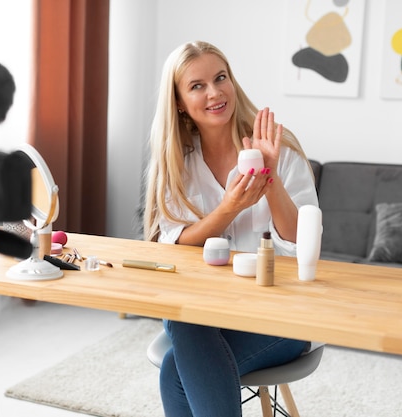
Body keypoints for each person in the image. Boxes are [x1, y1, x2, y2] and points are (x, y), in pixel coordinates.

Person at [142, 41, 319, 417]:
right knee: (186, 323)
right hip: (208, 313)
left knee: (178, 361)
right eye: (197, 85)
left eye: (220, 78)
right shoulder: (179, 162)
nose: (215, 92)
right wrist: (229, 208)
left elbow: (303, 243)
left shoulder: (280, 150)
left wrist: (269, 180)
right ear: (178, 102)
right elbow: (174, 243)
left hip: (281, 315)